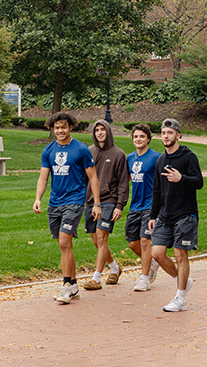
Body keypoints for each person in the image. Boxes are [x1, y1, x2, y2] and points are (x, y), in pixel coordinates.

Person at [33, 112, 101, 304]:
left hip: (75, 200)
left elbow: (93, 178)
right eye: (56, 127)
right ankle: (73, 285)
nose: (60, 130)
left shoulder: (81, 149)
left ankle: (65, 287)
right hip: (55, 202)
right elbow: (43, 177)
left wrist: (96, 203)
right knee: (65, 246)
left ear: (71, 127)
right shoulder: (48, 150)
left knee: (64, 242)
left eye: (63, 127)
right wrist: (38, 198)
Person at [148, 118, 204, 312]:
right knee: (157, 253)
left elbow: (199, 182)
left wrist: (182, 178)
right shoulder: (160, 160)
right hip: (165, 215)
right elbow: (156, 189)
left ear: (178, 135)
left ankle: (181, 299)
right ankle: (183, 281)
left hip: (185, 213)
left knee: (180, 255)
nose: (166, 136)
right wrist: (153, 215)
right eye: (163, 133)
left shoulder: (189, 157)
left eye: (170, 133)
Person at [81, 119, 129, 290]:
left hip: (109, 200)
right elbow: (83, 178)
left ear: (108, 131)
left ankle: (96, 278)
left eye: (103, 129)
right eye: (97, 130)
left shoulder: (118, 154)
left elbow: (123, 182)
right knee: (96, 240)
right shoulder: (88, 152)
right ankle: (115, 268)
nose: (100, 133)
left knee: (102, 237)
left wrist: (120, 205)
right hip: (89, 201)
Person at [125, 124, 161, 291]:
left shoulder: (156, 158)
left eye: (141, 136)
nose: (138, 139)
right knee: (133, 243)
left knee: (146, 241)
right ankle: (152, 261)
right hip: (135, 205)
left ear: (148, 139)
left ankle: (144, 278)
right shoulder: (130, 158)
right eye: (135, 137)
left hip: (151, 205)